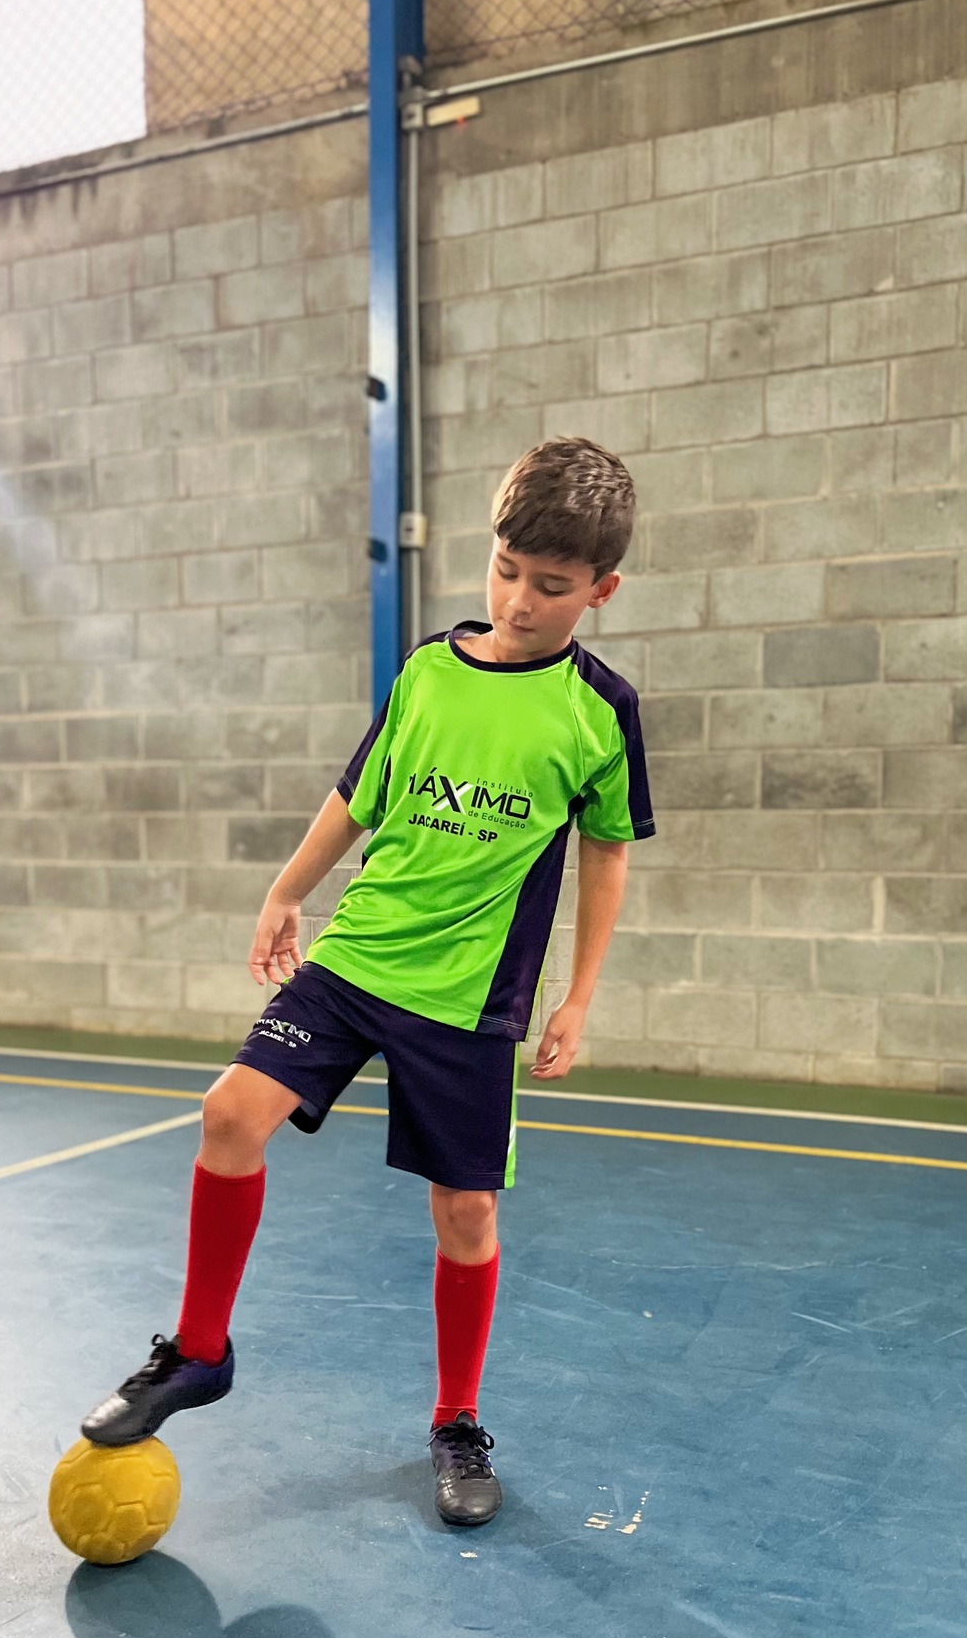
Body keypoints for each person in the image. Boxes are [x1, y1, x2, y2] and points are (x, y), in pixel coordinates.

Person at [79, 437, 655, 1527]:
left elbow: (610, 849)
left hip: (471, 998)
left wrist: (579, 995)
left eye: (552, 586)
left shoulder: (599, 710)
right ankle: (200, 1351)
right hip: (357, 961)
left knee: (466, 1209)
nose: (519, 600)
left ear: (602, 590)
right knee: (229, 1113)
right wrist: (286, 890)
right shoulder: (429, 673)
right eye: (505, 570)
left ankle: (455, 1420)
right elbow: (360, 794)